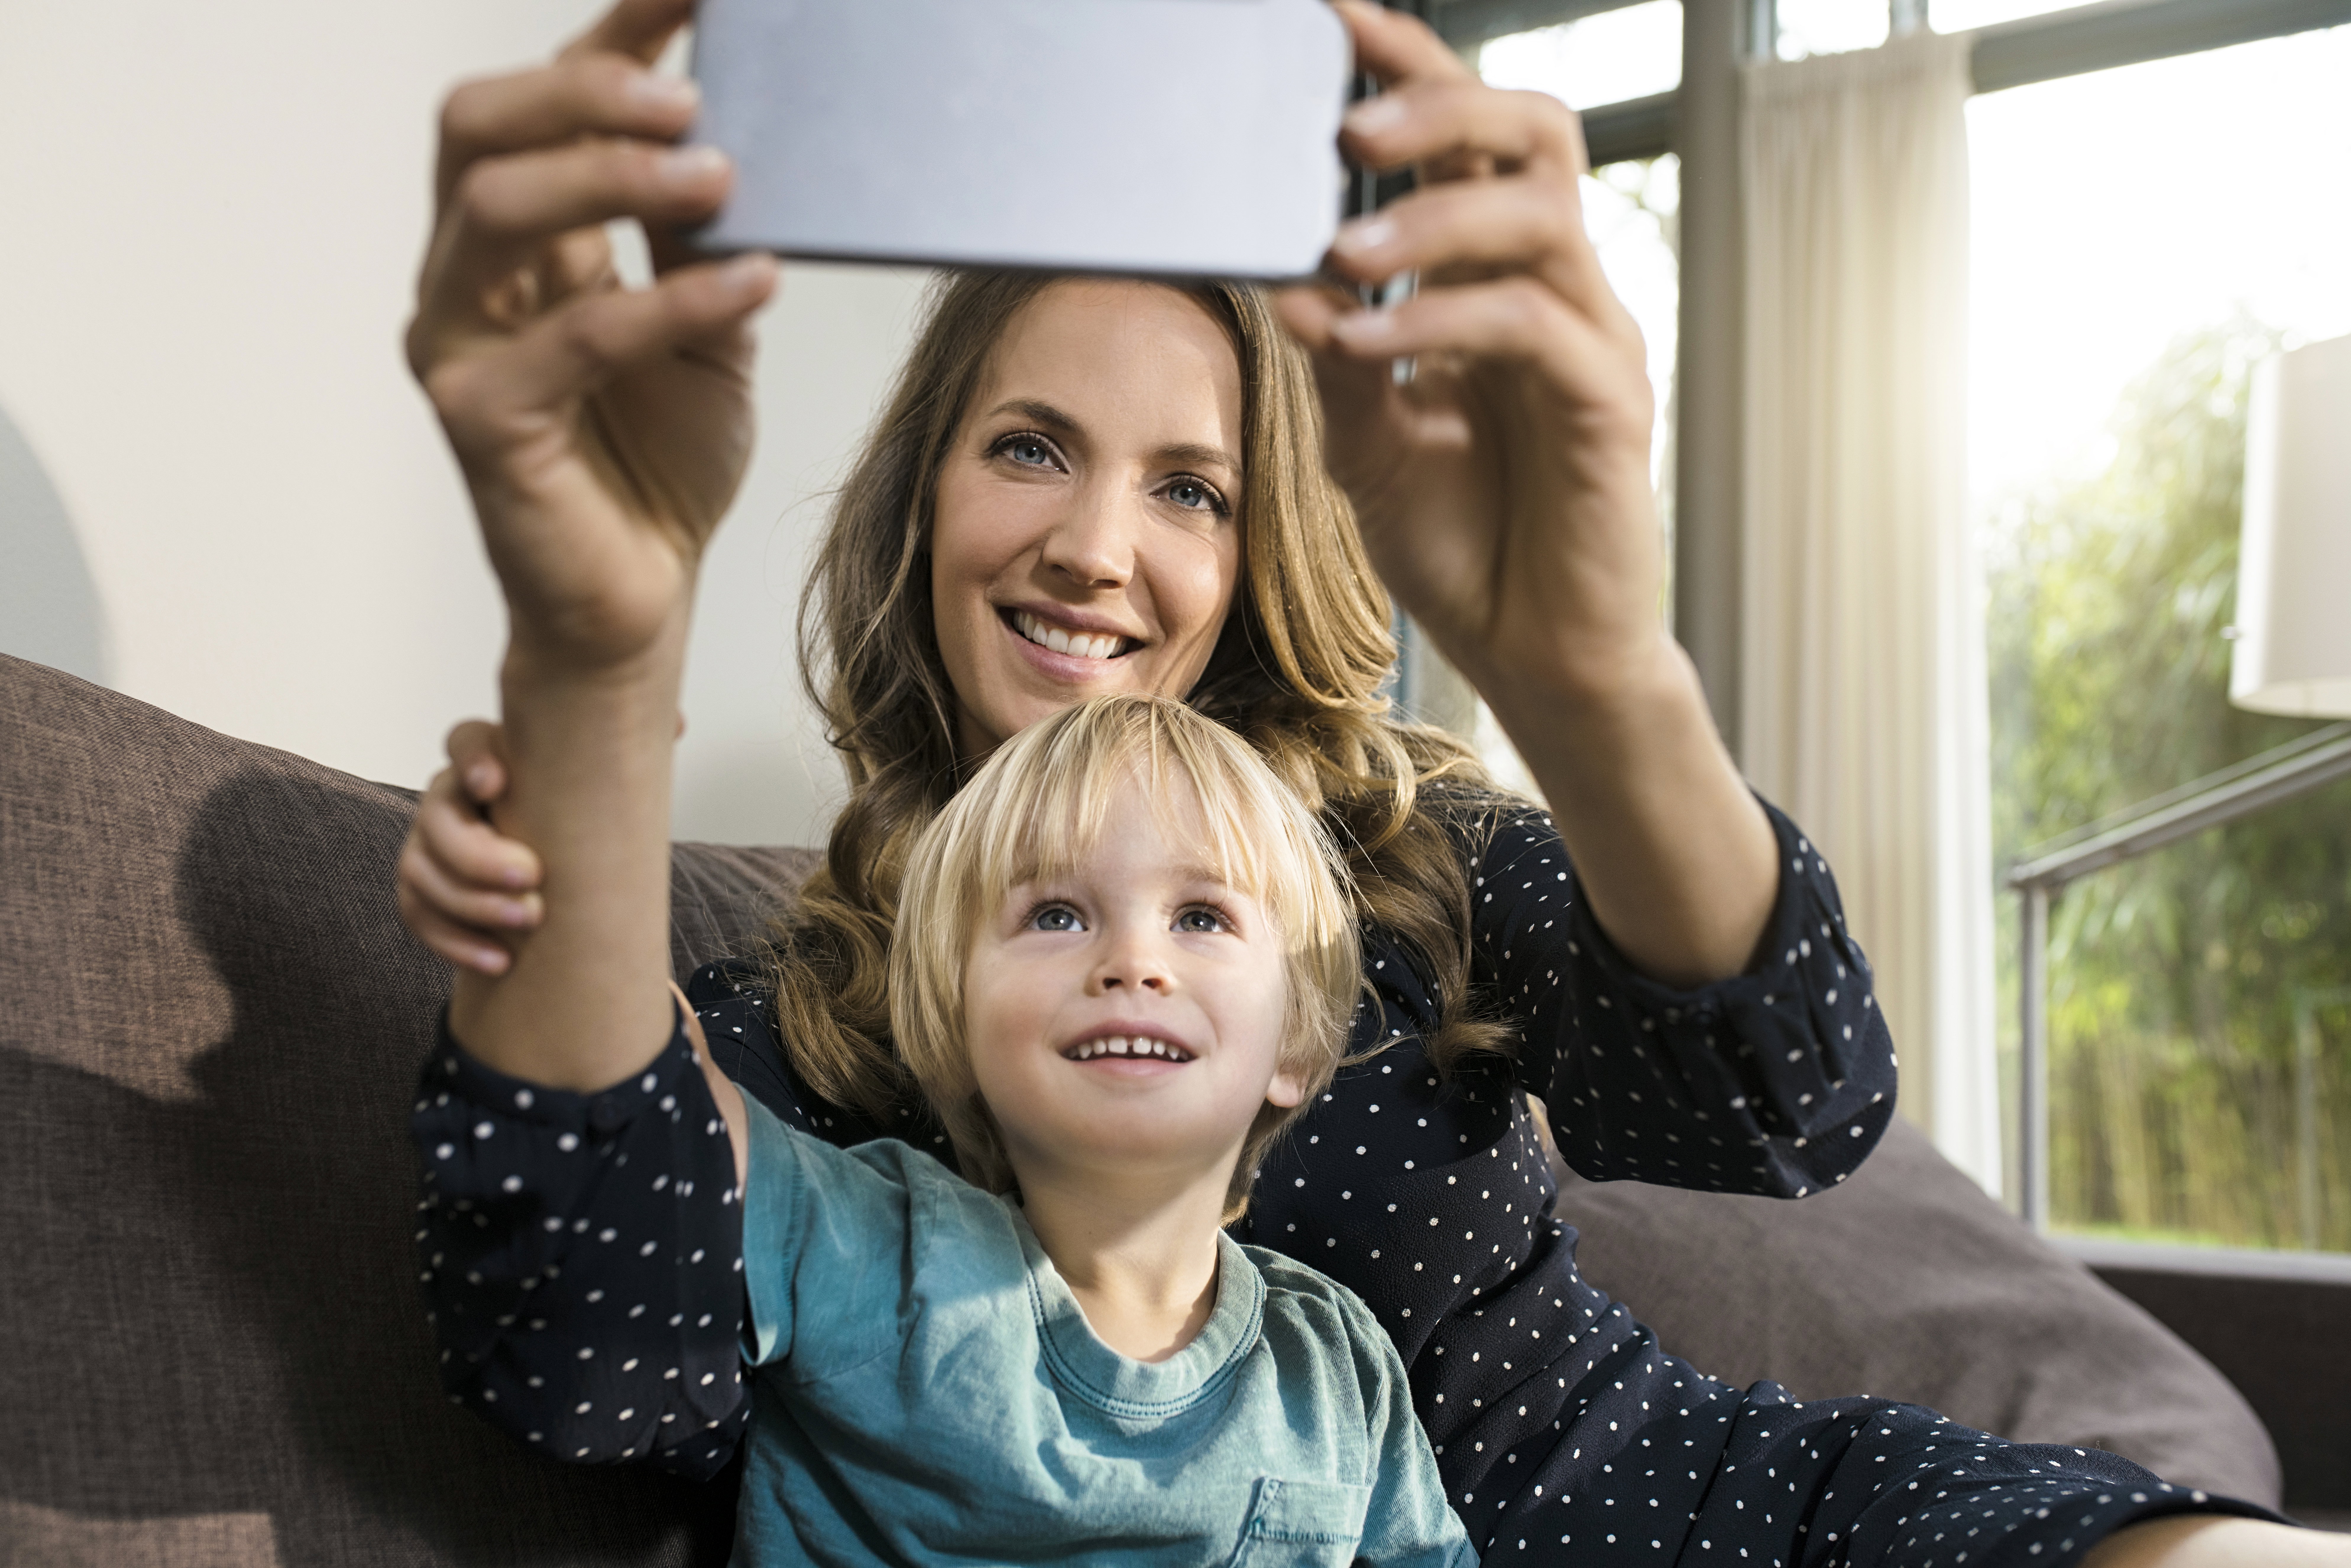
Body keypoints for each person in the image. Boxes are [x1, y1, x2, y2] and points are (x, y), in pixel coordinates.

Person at [399, 0, 2329, 1560]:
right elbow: (597, 1359)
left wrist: (1591, 672)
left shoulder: (1406, 859)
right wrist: (591, 657)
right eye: (1028, 449)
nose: (1092, 545)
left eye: (1188, 488)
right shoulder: (802, 1022)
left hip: (1698, 1516)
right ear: (919, 502)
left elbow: (1783, 1104)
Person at [420, 694, 1478, 1564]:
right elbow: (654, 1127)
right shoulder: (878, 1243)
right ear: (956, 1023)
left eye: (1201, 918)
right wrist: (562, 889)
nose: (1132, 963)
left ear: (1294, 1045)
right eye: (1056, 916)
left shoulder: (1341, 1366)